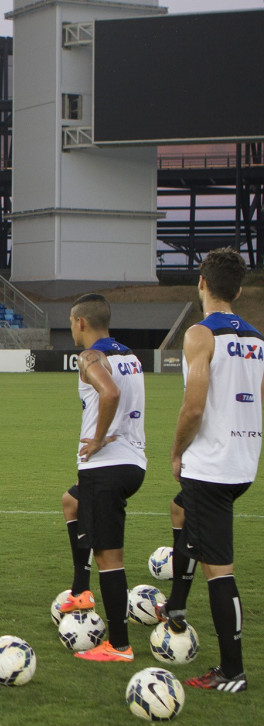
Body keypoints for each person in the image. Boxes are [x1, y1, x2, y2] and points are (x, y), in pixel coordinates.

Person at [157, 248, 262, 692]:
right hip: (241, 464)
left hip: (211, 467)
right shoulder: (257, 337)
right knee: (180, 512)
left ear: (201, 282)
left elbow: (193, 406)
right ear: (237, 290)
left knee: (219, 570)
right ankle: (176, 605)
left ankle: (231, 671)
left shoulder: (200, 334)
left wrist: (177, 451)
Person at [59, 294, 147, 663]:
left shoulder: (89, 357)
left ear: (80, 322)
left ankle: (120, 645)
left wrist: (97, 438)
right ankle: (81, 589)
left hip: (106, 467)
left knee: (109, 557)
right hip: (133, 463)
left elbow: (109, 392)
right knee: (71, 502)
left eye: (71, 322)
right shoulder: (131, 356)